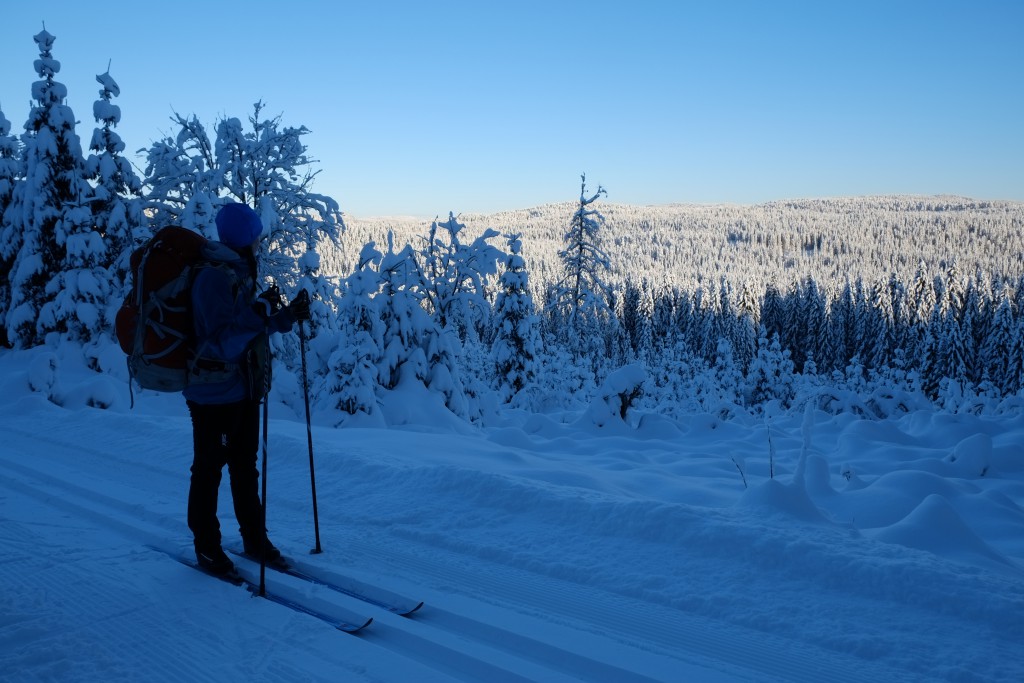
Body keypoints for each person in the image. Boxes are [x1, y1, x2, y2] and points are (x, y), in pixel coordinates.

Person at [184, 202, 310, 575]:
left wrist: (283, 318)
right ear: (242, 239)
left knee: (244, 467)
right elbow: (221, 342)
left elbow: (247, 329)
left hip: (242, 389)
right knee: (209, 471)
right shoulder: (212, 279)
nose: (259, 243)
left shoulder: (236, 271)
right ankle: (207, 547)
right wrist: (258, 313)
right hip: (213, 394)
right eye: (255, 236)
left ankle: (254, 538)